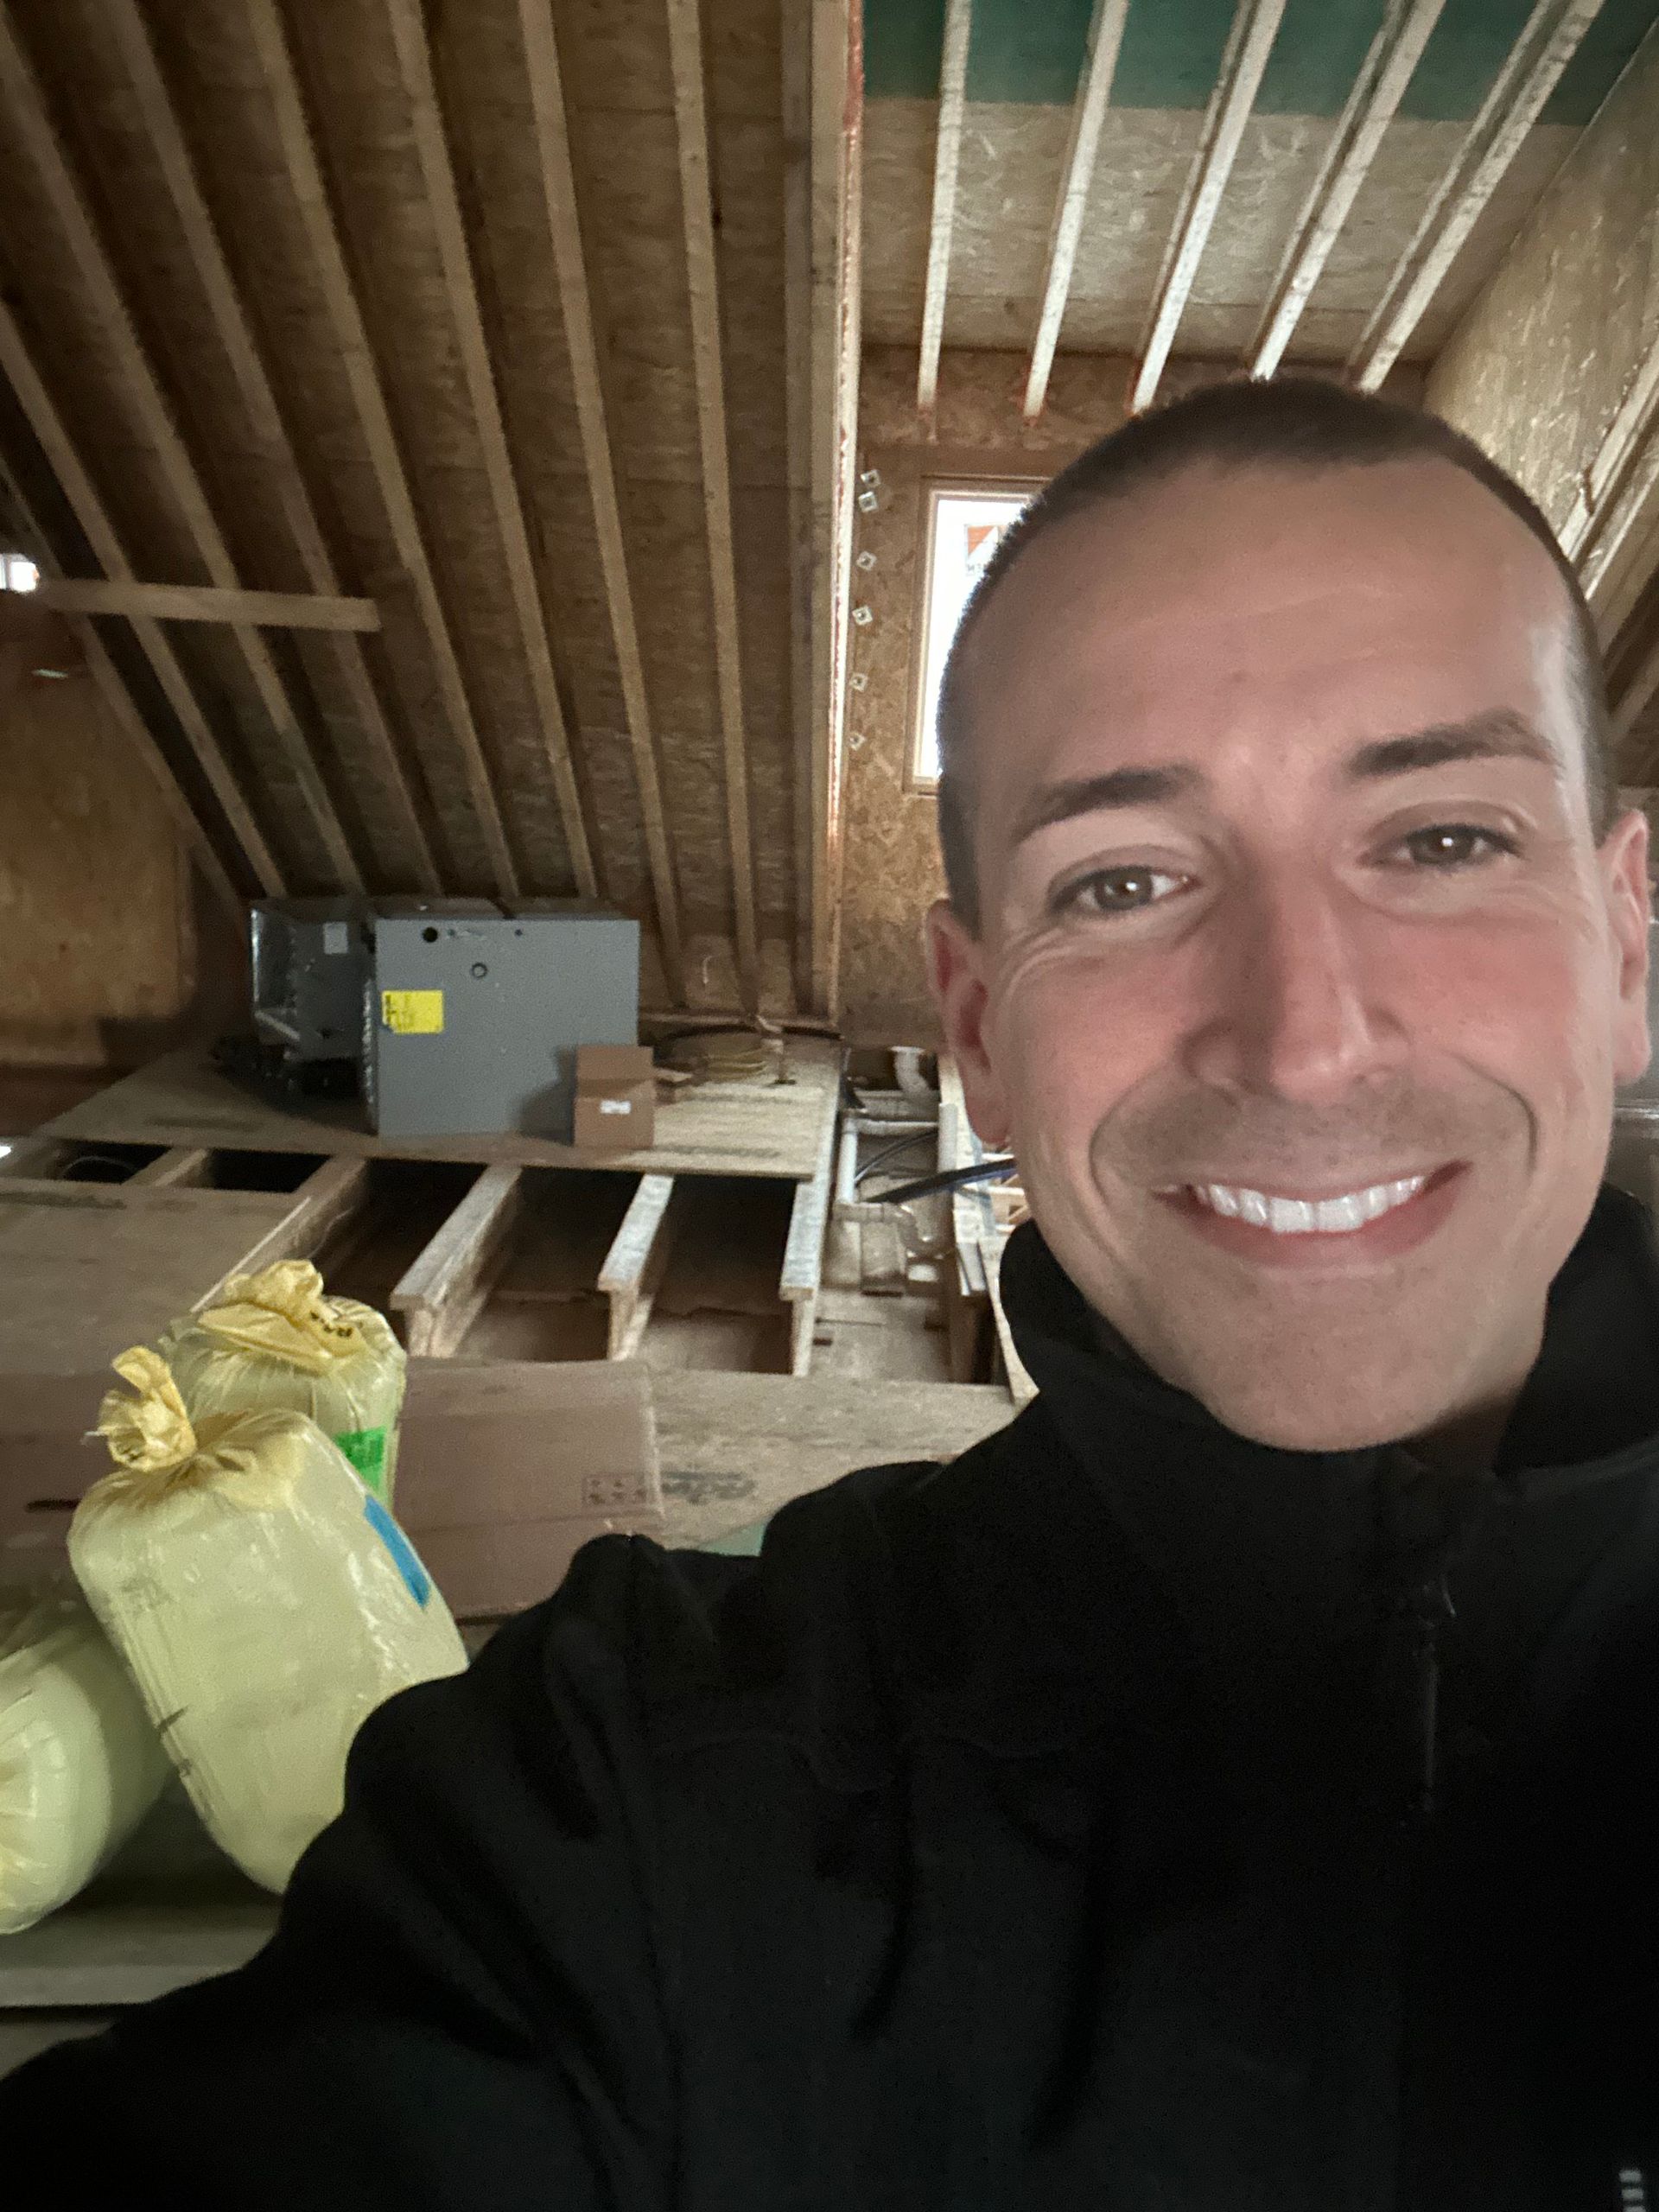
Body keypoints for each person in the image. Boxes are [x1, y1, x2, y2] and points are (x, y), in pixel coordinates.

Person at [4, 376, 1656, 2209]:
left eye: (1440, 839)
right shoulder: (653, 1796)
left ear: (1632, 938)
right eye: (1122, 878)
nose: (1305, 1034)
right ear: (977, 1033)